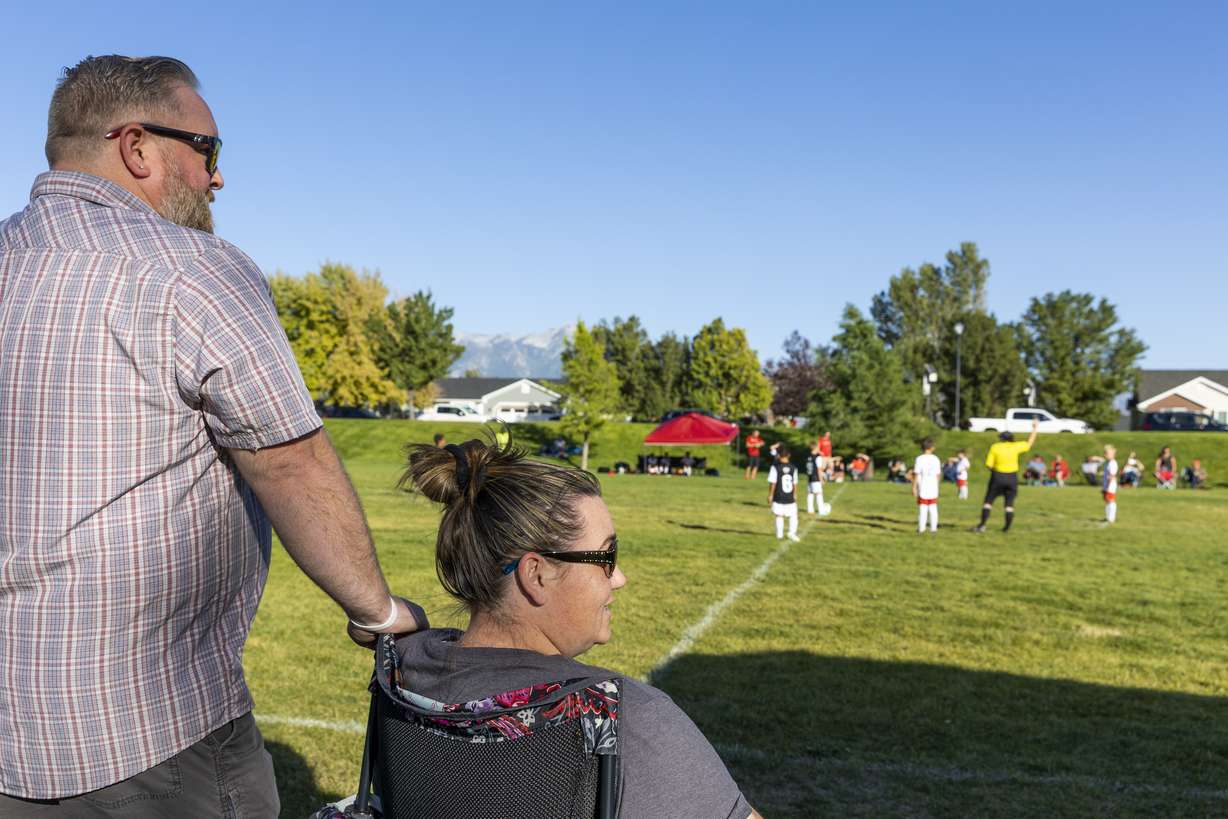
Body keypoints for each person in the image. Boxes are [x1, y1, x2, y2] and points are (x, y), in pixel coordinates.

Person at [0, 56, 420, 814]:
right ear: (137, 148)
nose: (216, 178)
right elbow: (291, 464)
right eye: (207, 150)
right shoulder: (193, 269)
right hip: (145, 732)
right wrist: (379, 612)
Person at [394, 438, 762, 819]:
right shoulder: (627, 718)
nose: (619, 578)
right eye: (606, 557)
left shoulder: (404, 667)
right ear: (536, 575)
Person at [973, 420, 1039, 533]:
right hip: (1012, 477)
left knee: (988, 502)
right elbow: (1029, 443)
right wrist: (1035, 428)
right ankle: (1006, 528)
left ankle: (982, 525)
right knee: (1009, 504)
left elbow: (989, 465)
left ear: (1002, 439)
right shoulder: (1015, 447)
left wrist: (995, 471)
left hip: (998, 476)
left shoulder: (995, 447)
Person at [768, 446, 801, 542]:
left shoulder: (775, 467)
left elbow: (773, 482)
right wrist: (795, 494)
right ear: (789, 455)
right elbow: (795, 483)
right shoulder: (793, 468)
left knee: (779, 515)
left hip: (778, 495)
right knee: (793, 515)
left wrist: (770, 494)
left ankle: (779, 534)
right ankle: (791, 533)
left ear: (778, 455)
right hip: (789, 495)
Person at [913, 438, 942, 533]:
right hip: (933, 486)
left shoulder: (919, 459)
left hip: (923, 486)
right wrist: (937, 485)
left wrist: (914, 487)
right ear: (932, 448)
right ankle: (934, 528)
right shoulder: (936, 459)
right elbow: (938, 475)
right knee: (933, 507)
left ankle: (921, 528)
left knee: (923, 508)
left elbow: (916, 474)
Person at [805, 440, 828, 515]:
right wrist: (821, 479)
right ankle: (821, 510)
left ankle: (810, 510)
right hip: (816, 478)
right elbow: (819, 469)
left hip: (810, 477)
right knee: (819, 494)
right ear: (816, 448)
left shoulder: (808, 456)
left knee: (810, 493)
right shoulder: (817, 457)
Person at [1102, 444, 1119, 523]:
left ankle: (1111, 518)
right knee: (1107, 501)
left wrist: (1108, 487)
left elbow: (1112, 476)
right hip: (1106, 486)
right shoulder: (1107, 462)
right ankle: (1108, 517)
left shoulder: (1112, 463)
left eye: (1107, 453)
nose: (1105, 455)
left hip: (1110, 486)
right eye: (1104, 453)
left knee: (1111, 501)